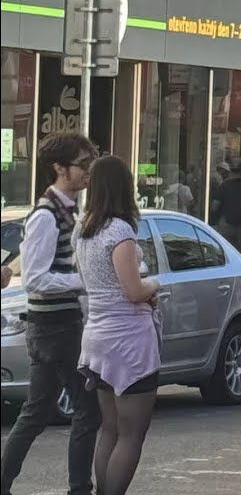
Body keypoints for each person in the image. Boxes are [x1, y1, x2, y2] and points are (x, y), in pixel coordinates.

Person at [1, 133, 102, 495]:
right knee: (88, 409)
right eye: (83, 164)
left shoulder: (66, 211)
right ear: (60, 168)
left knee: (37, 412)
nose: (88, 170)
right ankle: (80, 488)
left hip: (55, 325)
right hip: (55, 327)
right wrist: (84, 281)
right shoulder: (46, 215)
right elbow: (36, 279)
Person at [75, 156, 162, 495]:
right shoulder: (120, 232)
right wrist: (154, 284)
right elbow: (134, 291)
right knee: (131, 434)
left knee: (109, 430)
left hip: (96, 337)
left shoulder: (84, 230)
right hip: (128, 341)